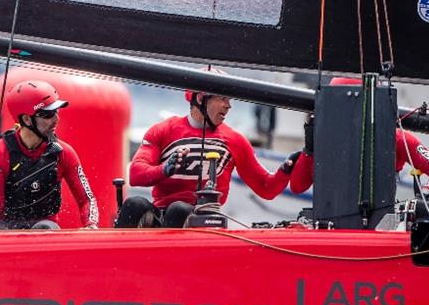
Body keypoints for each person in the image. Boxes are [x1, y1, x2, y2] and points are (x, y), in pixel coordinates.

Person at [116, 66, 300, 228]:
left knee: (178, 209)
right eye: (223, 98)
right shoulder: (162, 131)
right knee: (134, 204)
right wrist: (165, 170)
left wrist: (286, 169)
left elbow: (266, 188)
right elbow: (135, 175)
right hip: (163, 214)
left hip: (203, 220)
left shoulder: (235, 140)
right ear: (202, 98)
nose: (229, 106)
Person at [290, 77, 429, 208]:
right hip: (331, 225)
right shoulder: (326, 137)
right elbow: (297, 186)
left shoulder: (396, 138)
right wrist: (309, 150)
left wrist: (427, 194)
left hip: (379, 226)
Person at [0, 80, 98, 230]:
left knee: (45, 228)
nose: (56, 119)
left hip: (45, 226)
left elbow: (87, 200)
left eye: (57, 111)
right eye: (48, 114)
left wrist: (90, 225)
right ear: (26, 119)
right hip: (5, 227)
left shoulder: (64, 152)